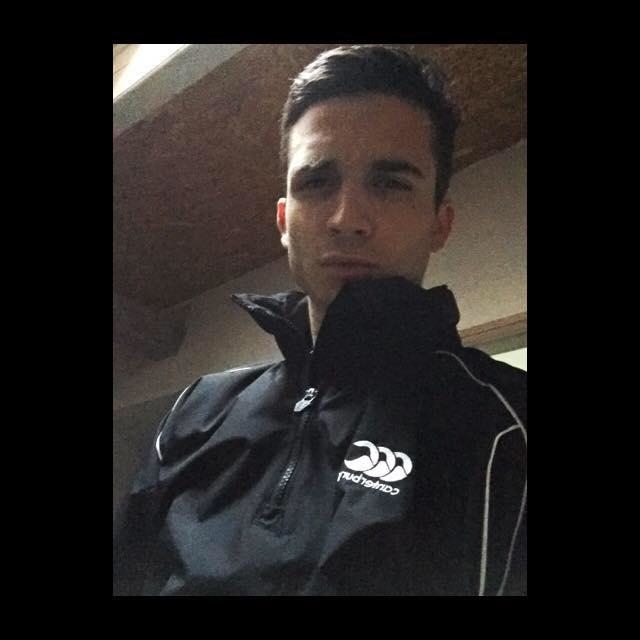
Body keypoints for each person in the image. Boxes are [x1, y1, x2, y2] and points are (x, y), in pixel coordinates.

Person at [113, 44, 527, 597]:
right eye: (316, 182)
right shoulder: (195, 411)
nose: (346, 219)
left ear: (439, 223)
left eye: (390, 183)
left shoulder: (509, 428)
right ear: (284, 221)